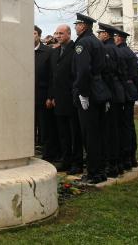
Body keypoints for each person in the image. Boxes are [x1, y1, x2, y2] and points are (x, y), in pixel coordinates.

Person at [72, 13, 107, 185]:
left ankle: (93, 173)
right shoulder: (96, 42)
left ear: (84, 26)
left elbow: (83, 71)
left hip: (89, 92)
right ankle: (100, 170)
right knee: (98, 133)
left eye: (77, 24)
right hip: (98, 89)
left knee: (89, 135)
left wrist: (83, 93)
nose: (75, 27)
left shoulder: (83, 43)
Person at [48, 24, 83, 174]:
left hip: (71, 98)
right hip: (59, 100)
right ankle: (66, 159)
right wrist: (51, 96)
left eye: (61, 33)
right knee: (63, 133)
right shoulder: (55, 53)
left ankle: (77, 162)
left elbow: (77, 75)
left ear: (68, 34)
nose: (58, 36)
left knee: (75, 133)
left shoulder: (75, 50)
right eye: (56, 33)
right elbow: (52, 77)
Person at [97, 23, 126, 177]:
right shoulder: (116, 48)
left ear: (106, 35)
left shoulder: (107, 49)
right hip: (118, 91)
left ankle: (112, 164)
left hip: (112, 93)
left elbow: (107, 73)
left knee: (109, 130)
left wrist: (105, 95)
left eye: (100, 32)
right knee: (116, 129)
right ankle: (118, 163)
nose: (98, 35)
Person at [114, 28, 138, 170]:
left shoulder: (121, 52)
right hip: (130, 90)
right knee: (129, 125)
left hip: (124, 91)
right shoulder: (129, 52)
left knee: (124, 125)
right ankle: (131, 156)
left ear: (120, 39)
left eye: (116, 37)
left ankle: (126, 156)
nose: (114, 39)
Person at [35, 25, 59, 161]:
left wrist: (50, 96)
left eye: (33, 33)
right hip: (27, 97)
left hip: (43, 95)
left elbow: (52, 76)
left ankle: (48, 155)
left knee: (45, 127)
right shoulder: (23, 50)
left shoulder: (48, 52)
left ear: (39, 35)